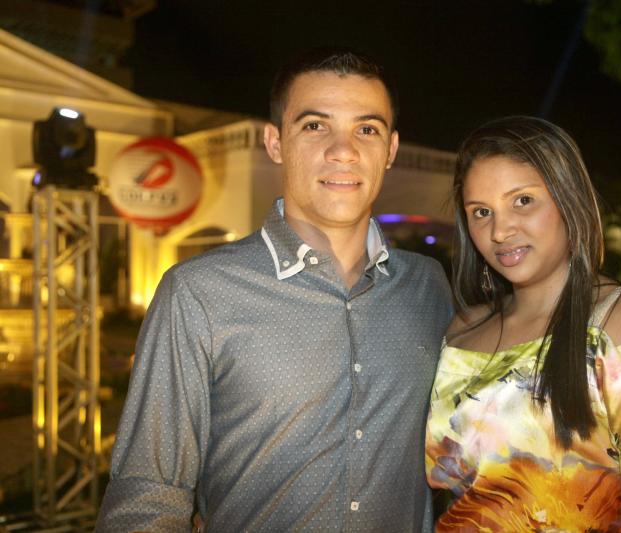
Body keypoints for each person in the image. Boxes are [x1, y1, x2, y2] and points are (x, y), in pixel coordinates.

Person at [97, 48, 453, 532]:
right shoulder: (198, 293)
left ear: (390, 150)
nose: (343, 150)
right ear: (275, 142)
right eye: (315, 125)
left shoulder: (428, 286)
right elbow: (148, 494)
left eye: (366, 129)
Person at [425, 116, 621, 532]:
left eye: (523, 201)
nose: (500, 230)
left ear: (569, 199)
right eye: (481, 212)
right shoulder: (462, 331)